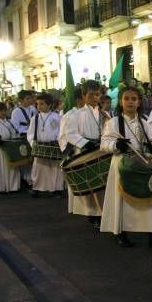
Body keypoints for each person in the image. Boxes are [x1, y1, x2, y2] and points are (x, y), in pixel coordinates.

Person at [100, 86, 152, 250]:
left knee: (150, 199)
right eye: (126, 98)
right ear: (121, 101)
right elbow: (104, 143)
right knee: (122, 200)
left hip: (142, 166)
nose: (130, 102)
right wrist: (116, 144)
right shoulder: (114, 122)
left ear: (139, 102)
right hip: (122, 165)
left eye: (134, 99)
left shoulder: (143, 122)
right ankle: (120, 232)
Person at [64, 81, 106, 228]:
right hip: (85, 151)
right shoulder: (76, 114)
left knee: (102, 183)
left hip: (101, 149)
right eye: (91, 95)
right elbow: (70, 134)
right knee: (91, 183)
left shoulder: (104, 112)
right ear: (83, 95)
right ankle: (93, 214)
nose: (95, 98)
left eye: (98, 94)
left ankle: (103, 213)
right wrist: (85, 143)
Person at [27, 93, 64, 197]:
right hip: (40, 147)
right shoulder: (35, 118)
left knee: (55, 169)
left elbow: (61, 132)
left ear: (49, 105)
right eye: (37, 104)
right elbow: (30, 133)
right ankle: (36, 187)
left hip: (53, 146)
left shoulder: (57, 117)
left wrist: (58, 142)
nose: (39, 106)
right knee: (38, 168)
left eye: (42, 104)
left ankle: (56, 189)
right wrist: (32, 143)